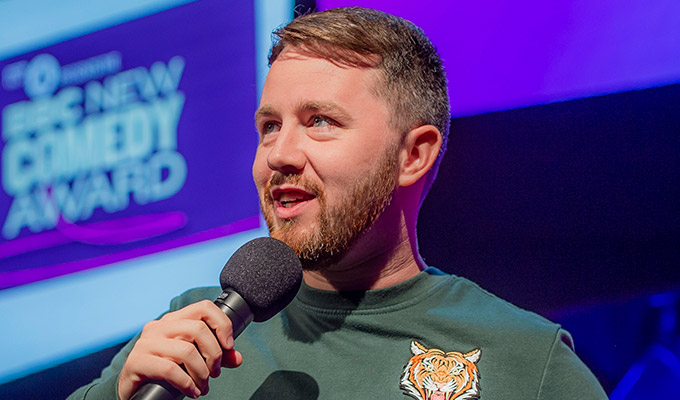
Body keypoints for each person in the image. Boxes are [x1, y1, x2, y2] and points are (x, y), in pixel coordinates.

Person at [69, 7, 607, 400]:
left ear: (412, 156)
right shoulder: (193, 332)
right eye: (269, 126)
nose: (278, 154)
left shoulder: (526, 362)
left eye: (319, 122)